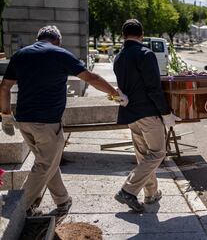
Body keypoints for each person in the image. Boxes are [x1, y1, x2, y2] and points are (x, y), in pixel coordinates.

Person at [0, 25, 124, 217]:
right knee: (45, 165)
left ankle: (62, 200)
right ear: (57, 40)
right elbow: (90, 77)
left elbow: (4, 87)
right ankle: (17, 209)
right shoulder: (60, 54)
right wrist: (115, 94)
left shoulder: (21, 55)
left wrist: (6, 115)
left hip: (24, 120)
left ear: (38, 38)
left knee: (48, 162)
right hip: (47, 122)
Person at [113, 19, 180, 213]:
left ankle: (151, 193)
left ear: (123, 36)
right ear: (141, 35)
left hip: (131, 113)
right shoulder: (145, 54)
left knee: (144, 156)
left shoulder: (118, 57)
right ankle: (128, 189)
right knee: (158, 153)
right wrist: (166, 113)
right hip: (148, 112)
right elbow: (153, 88)